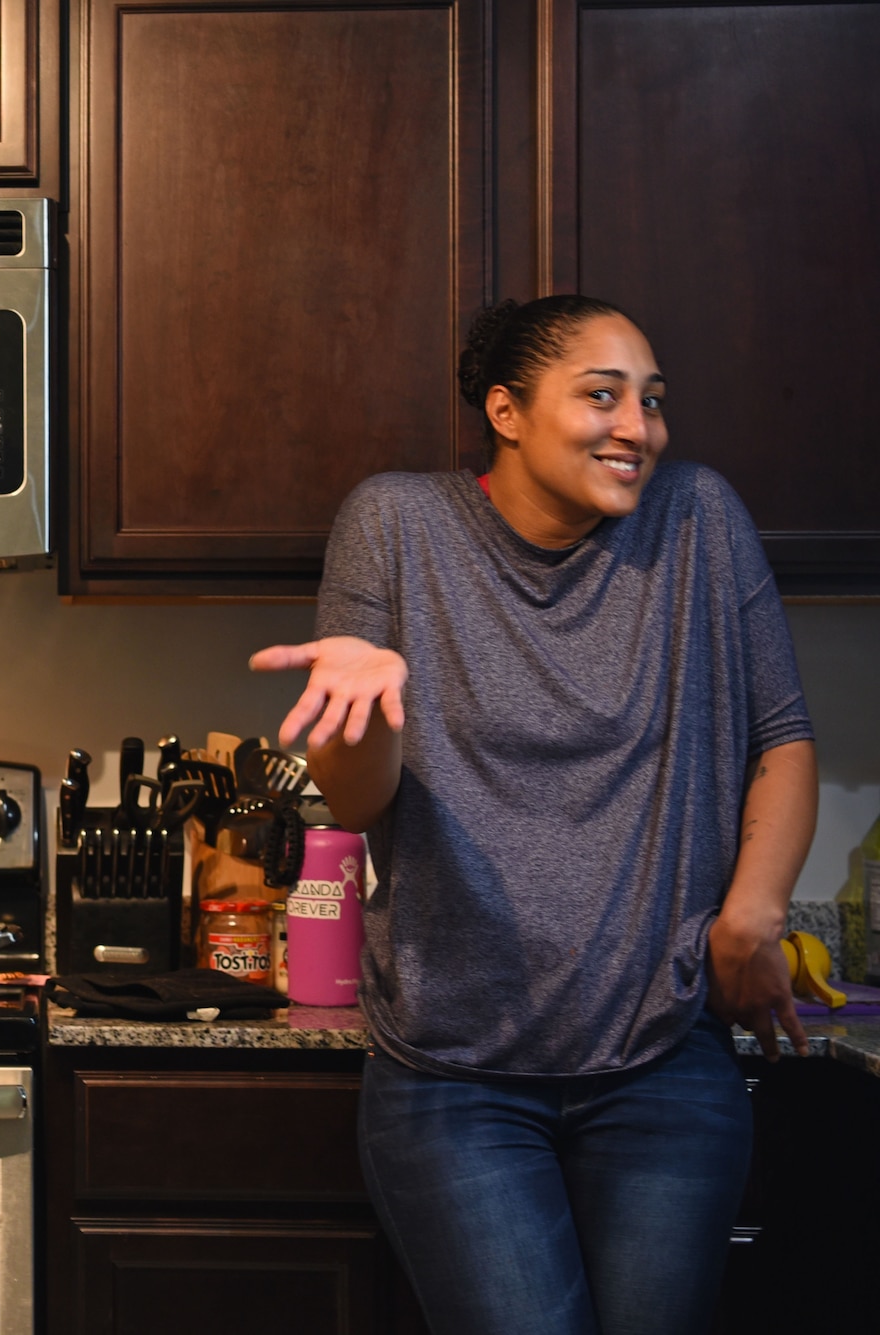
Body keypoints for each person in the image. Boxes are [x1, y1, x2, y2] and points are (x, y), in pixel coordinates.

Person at [249, 294, 817, 1335]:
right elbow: (359, 801)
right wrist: (366, 708)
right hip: (451, 1080)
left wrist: (753, 913)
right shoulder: (396, 523)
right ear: (505, 412)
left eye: (649, 401)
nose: (635, 427)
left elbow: (778, 735)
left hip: (662, 1061)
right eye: (599, 396)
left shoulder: (697, 519)